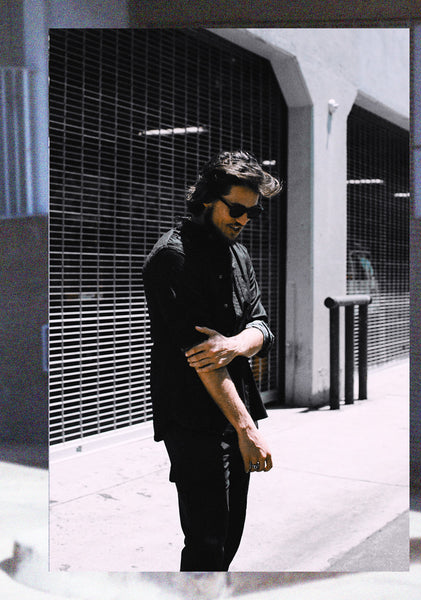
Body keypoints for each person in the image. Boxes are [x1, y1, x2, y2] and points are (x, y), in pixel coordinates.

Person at [142, 150, 282, 570]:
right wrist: (247, 429)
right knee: (206, 544)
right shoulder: (173, 257)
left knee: (229, 539)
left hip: (234, 409)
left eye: (251, 213)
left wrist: (237, 343)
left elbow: (262, 327)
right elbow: (204, 360)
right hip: (191, 418)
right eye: (236, 209)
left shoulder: (237, 253)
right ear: (206, 198)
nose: (243, 220)